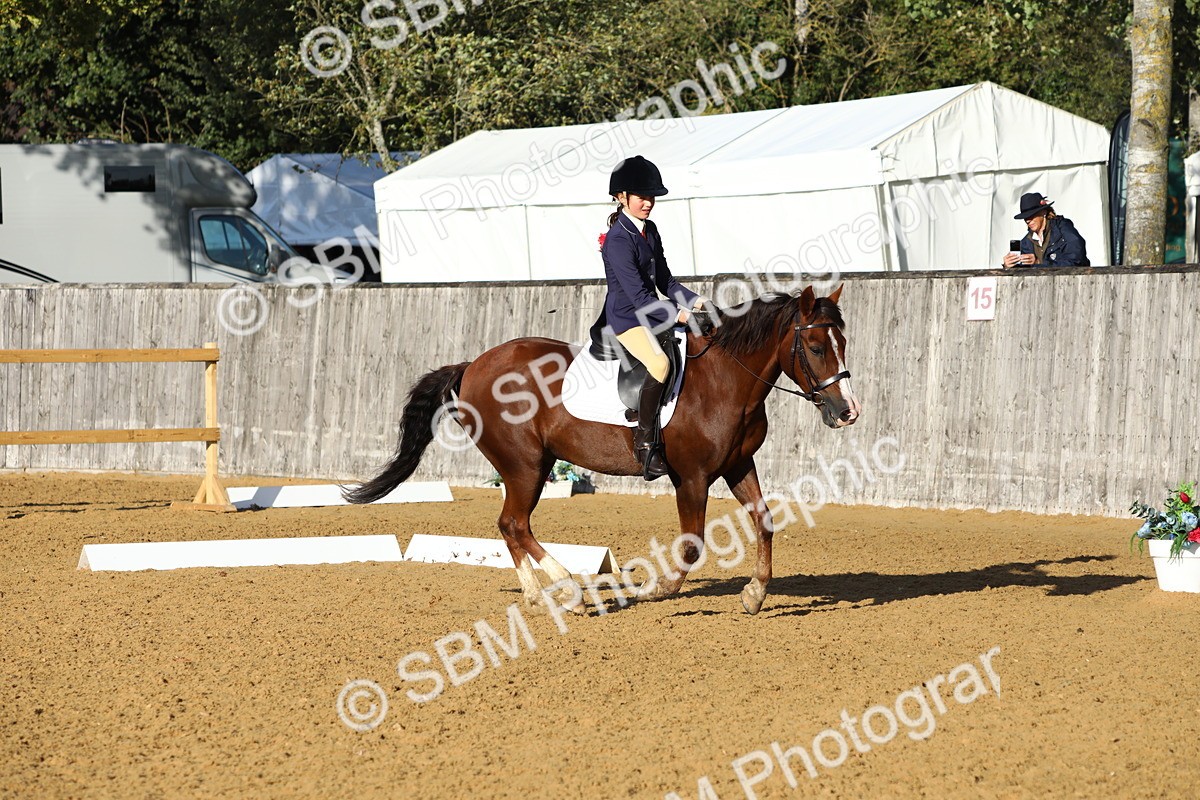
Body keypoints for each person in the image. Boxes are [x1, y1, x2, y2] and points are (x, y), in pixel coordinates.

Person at [590, 155, 711, 480]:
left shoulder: (650, 231)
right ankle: (645, 445)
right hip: (626, 320)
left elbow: (666, 283)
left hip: (651, 312)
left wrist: (699, 303)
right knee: (660, 365)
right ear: (621, 197)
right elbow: (640, 298)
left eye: (651, 197)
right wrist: (680, 315)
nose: (648, 203)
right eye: (642, 197)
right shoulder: (617, 240)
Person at [1002, 192, 1089, 268]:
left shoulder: (1063, 229)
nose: (1027, 220)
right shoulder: (1026, 243)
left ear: (1043, 212)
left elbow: (1076, 262)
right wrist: (1008, 266)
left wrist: (1038, 263)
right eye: (1025, 217)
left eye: (1031, 215)